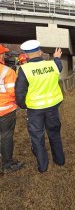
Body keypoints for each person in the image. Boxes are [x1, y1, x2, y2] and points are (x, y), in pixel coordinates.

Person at [15, 40, 65, 173]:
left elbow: (20, 92)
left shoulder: (24, 69)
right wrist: (56, 57)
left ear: (26, 54)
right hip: (52, 107)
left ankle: (43, 166)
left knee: (37, 137)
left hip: (35, 109)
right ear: (40, 51)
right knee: (54, 133)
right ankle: (59, 160)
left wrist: (24, 105)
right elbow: (59, 67)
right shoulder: (52, 65)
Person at [0, 44, 24, 174]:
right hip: (5, 111)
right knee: (6, 137)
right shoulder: (7, 71)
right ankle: (7, 164)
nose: (4, 55)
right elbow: (13, 93)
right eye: (2, 53)